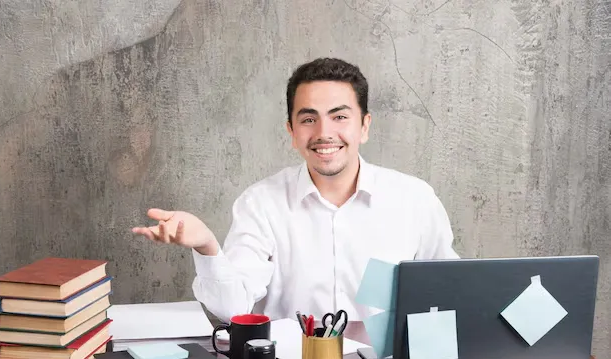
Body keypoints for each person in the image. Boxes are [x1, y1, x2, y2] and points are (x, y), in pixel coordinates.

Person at [132, 57, 458, 323]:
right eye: (308, 119)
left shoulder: (415, 200)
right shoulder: (260, 204)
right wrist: (206, 246)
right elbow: (234, 309)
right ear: (291, 130)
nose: (324, 132)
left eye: (339, 116)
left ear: (364, 126)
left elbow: (449, 296)